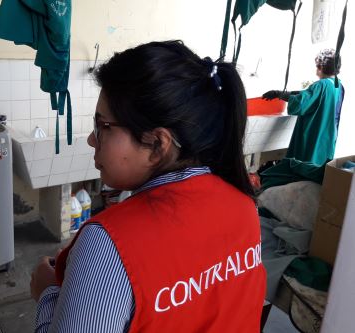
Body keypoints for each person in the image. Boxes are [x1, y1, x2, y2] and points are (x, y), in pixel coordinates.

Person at [30, 40, 266, 332]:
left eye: (103, 126)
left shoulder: (107, 244)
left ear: (157, 144)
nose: (92, 140)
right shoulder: (244, 205)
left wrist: (47, 295)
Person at [262, 49, 344, 181]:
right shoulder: (337, 85)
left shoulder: (320, 85)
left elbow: (300, 103)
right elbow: (309, 94)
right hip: (327, 138)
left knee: (301, 172)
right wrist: (282, 92)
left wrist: (280, 95)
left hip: (313, 137)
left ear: (321, 66)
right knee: (317, 173)